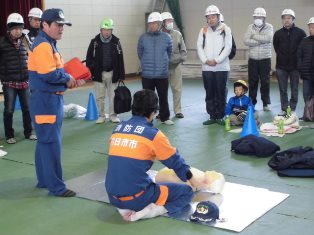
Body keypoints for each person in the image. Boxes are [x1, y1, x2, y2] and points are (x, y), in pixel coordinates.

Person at [105, 89, 207, 221]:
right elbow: (175, 161)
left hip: (112, 196)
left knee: (141, 178)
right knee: (186, 193)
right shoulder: (153, 135)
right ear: (154, 112)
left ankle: (125, 206)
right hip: (137, 198)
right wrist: (192, 179)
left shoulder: (117, 129)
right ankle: (153, 211)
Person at [28, 8, 85, 197]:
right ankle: (57, 187)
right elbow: (49, 74)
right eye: (58, 25)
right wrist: (68, 76)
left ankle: (44, 180)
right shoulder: (44, 45)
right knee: (51, 143)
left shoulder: (48, 43)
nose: (61, 28)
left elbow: (53, 71)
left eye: (63, 25)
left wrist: (69, 78)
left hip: (48, 99)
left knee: (44, 142)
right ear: (45, 25)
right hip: (46, 101)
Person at [0, 13, 36, 144]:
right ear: (9, 28)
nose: (18, 31)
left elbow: (31, 57)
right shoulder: (2, 42)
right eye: (15, 28)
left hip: (24, 81)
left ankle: (29, 132)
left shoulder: (25, 42)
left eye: (20, 28)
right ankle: (9, 135)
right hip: (9, 82)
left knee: (27, 108)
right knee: (9, 109)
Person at [197, 5, 232, 125]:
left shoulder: (226, 29)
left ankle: (221, 116)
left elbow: (228, 47)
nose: (211, 19)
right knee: (209, 92)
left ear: (218, 17)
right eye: (208, 17)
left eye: (213, 17)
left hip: (221, 67)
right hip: (207, 68)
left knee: (220, 92)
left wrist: (217, 60)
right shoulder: (203, 30)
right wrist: (205, 60)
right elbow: (199, 46)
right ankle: (212, 116)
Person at [86, 18, 125, 124]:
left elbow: (121, 59)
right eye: (104, 29)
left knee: (113, 96)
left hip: (113, 73)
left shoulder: (116, 42)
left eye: (109, 30)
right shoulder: (94, 42)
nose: (106, 32)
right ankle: (101, 115)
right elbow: (89, 58)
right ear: (101, 30)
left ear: (112, 30)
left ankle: (113, 115)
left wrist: (121, 74)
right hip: (98, 74)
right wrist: (90, 71)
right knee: (100, 96)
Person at [137, 12, 174, 125]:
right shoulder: (143, 37)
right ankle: (148, 119)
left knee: (163, 97)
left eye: (154, 23)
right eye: (150, 23)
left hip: (162, 74)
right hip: (147, 74)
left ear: (159, 24)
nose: (152, 25)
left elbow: (169, 53)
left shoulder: (167, 37)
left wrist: (162, 64)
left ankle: (165, 117)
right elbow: (140, 53)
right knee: (147, 98)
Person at [273, 9, 306, 114]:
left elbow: (302, 49)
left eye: (289, 18)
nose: (286, 20)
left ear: (293, 19)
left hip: (295, 67)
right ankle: (284, 108)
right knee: (283, 90)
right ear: (282, 20)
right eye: (284, 18)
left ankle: (292, 108)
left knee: (294, 89)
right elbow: (276, 47)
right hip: (281, 67)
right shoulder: (277, 34)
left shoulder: (301, 33)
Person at [243, 7, 273, 111]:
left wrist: (254, 36)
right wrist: (260, 40)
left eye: (260, 16)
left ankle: (265, 103)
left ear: (264, 17)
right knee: (252, 82)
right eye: (256, 16)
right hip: (253, 59)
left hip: (265, 59)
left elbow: (268, 38)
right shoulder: (250, 27)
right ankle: (252, 103)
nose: (258, 18)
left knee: (265, 82)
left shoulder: (269, 27)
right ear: (254, 17)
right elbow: (246, 41)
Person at [161, 12, 187, 119]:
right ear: (162, 23)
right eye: (168, 21)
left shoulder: (178, 34)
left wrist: (178, 59)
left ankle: (178, 111)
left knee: (177, 89)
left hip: (176, 67)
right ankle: (162, 111)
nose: (170, 23)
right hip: (162, 68)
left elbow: (183, 51)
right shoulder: (159, 36)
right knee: (162, 91)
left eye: (171, 20)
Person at [297, 17, 314, 103]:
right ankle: (307, 115)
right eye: (310, 27)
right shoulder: (304, 41)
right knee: (306, 95)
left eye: (313, 27)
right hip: (306, 74)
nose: (311, 29)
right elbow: (299, 55)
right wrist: (301, 68)